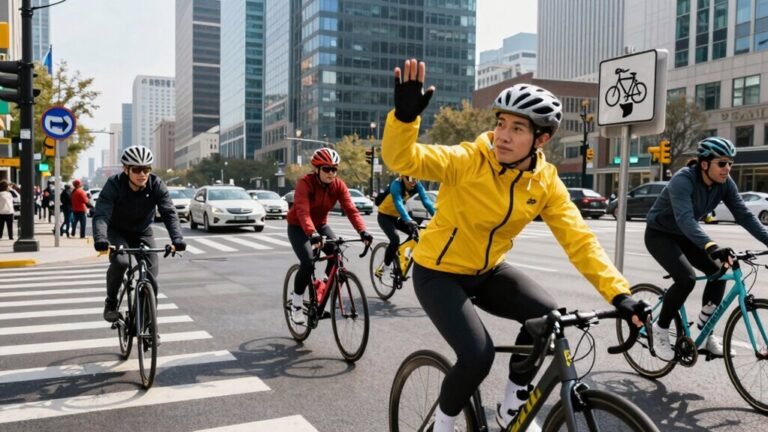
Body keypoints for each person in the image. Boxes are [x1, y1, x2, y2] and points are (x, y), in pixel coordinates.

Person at [382, 59, 647, 432]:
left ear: (541, 139)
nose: (502, 135)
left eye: (517, 128)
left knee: (547, 318)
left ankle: (513, 406)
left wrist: (620, 295)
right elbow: (402, 158)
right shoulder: (467, 160)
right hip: (438, 273)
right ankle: (443, 424)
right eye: (500, 123)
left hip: (487, 271)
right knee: (477, 355)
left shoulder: (545, 182)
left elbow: (579, 240)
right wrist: (405, 121)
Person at [645, 137, 768, 361]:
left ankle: (706, 331)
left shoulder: (725, 184)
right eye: (722, 163)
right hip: (660, 234)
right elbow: (685, 219)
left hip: (687, 236)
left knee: (719, 272)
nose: (727, 169)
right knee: (686, 279)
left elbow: (745, 216)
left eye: (730, 163)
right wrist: (711, 245)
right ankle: (660, 329)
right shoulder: (682, 180)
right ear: (704, 164)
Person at [93, 145, 186, 323]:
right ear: (126, 170)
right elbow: (102, 215)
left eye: (146, 169)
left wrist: (177, 239)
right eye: (136, 169)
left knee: (151, 279)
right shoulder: (114, 184)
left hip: (143, 231)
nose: (142, 174)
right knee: (121, 263)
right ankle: (111, 302)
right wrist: (101, 238)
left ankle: (148, 325)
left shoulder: (156, 184)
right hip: (117, 231)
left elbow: (169, 212)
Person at [286, 147, 374, 324]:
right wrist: (312, 234)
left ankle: (323, 287)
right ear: (317, 169)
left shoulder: (338, 186)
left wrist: (362, 231)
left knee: (336, 254)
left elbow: (351, 209)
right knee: (308, 262)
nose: (331, 173)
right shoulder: (305, 183)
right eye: (327, 169)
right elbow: (302, 211)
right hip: (298, 227)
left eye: (334, 169)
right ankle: (296, 305)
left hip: (320, 225)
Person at [375, 175, 435, 277]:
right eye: (411, 179)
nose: (413, 182)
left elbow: (426, 201)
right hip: (384, 216)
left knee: (417, 234)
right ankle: (384, 267)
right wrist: (408, 220)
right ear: (403, 177)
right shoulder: (396, 185)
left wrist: (437, 217)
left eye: (416, 178)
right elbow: (398, 203)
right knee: (395, 240)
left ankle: (401, 253)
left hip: (398, 216)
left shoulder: (416, 184)